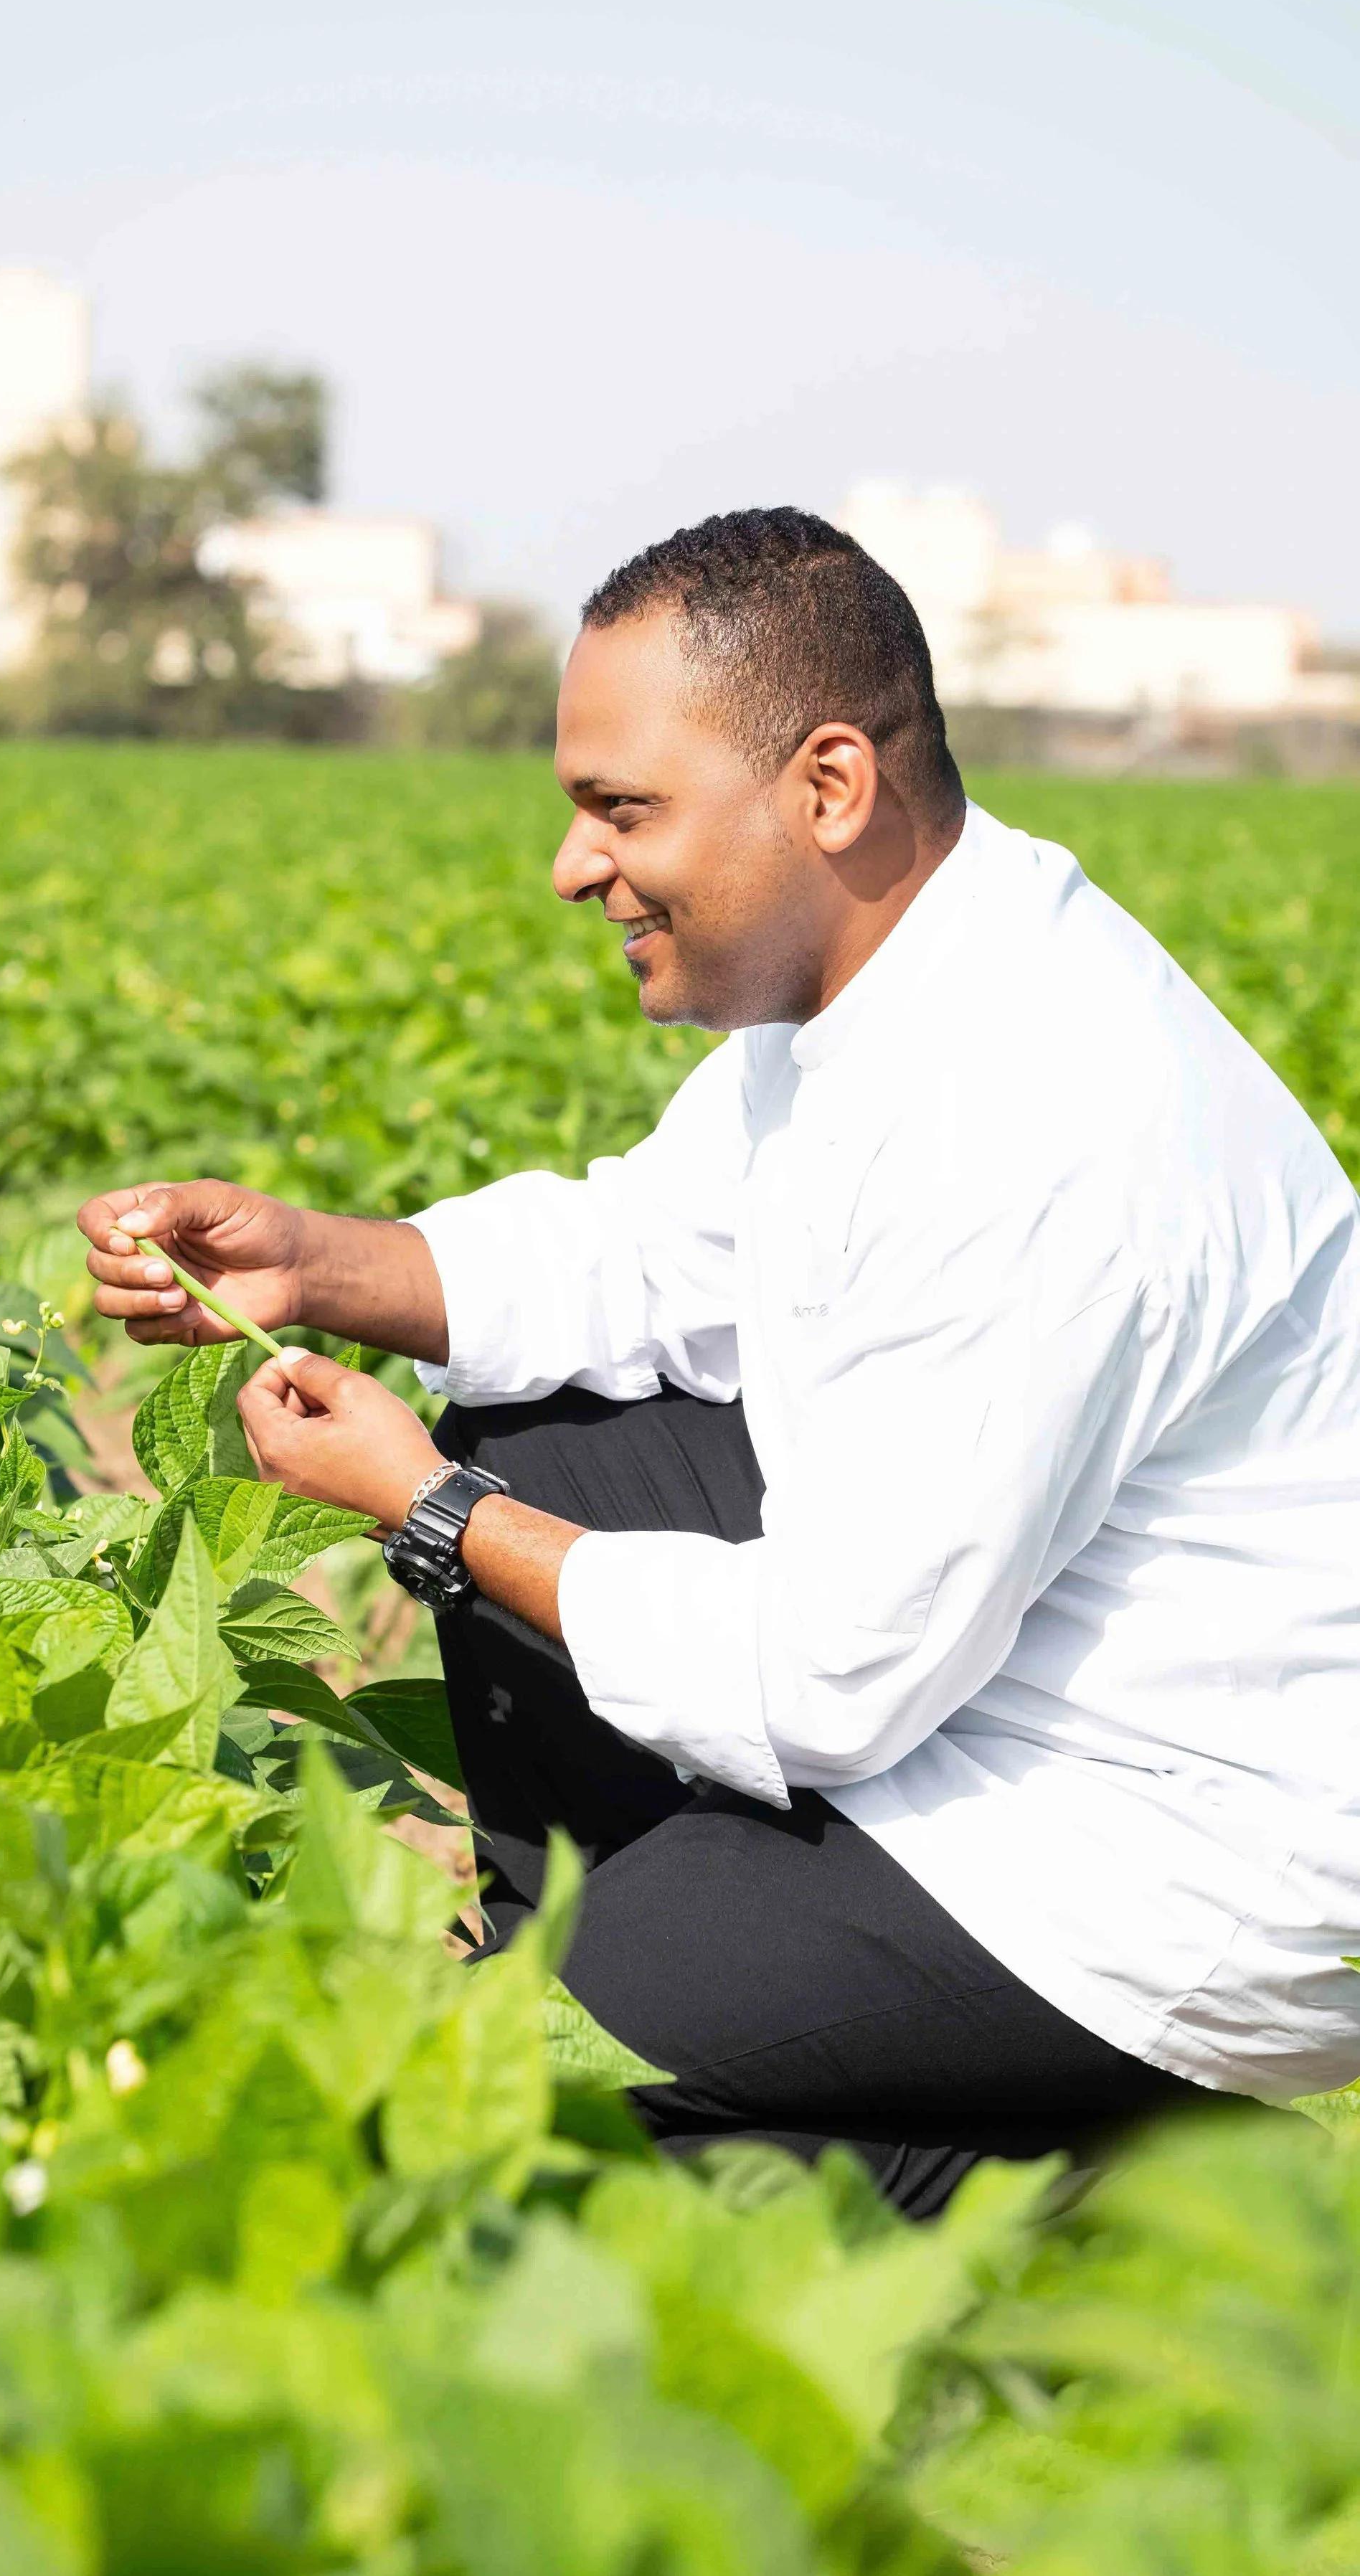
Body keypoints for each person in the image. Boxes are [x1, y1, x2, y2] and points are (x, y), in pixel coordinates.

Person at [79, 507, 1360, 2216]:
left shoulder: (1042, 1120)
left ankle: (1130, 2219)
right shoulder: (898, 970)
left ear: (826, 787)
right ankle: (668, 2003)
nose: (568, 866)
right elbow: (643, 1257)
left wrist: (433, 1513)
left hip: (1169, 1850)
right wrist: (310, 1260)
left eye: (620, 811)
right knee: (550, 1431)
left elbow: (832, 1682)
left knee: (512, 2085)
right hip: (1018, 1678)